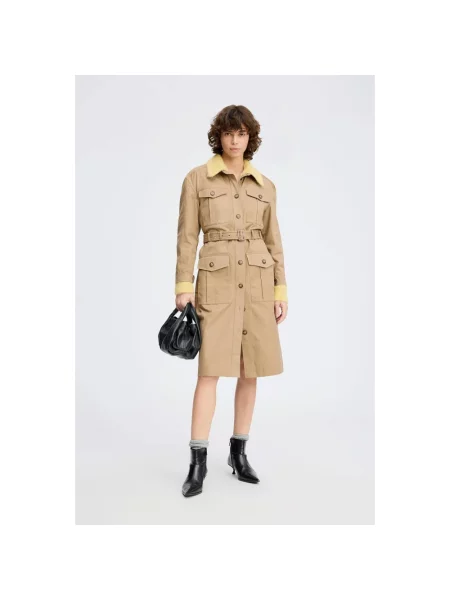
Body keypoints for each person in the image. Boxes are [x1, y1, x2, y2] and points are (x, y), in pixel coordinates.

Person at [174, 105, 288, 497]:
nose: (234, 140)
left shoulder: (265, 185)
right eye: (228, 133)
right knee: (209, 372)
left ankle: (238, 454)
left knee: (249, 370)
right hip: (217, 286)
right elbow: (187, 237)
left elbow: (274, 242)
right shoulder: (197, 179)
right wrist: (184, 285)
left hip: (257, 285)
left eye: (241, 134)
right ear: (218, 137)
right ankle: (198, 462)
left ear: (249, 137)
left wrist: (280, 290)